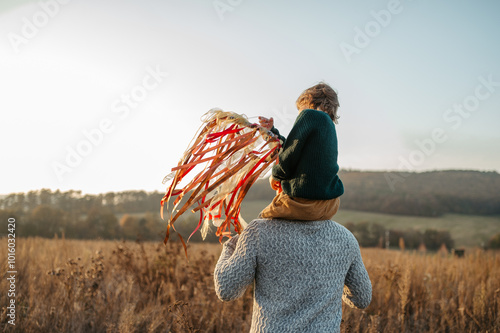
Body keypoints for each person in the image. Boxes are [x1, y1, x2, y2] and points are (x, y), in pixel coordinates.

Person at [213, 83, 372, 332]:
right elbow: (361, 299)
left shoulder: (257, 233)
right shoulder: (345, 240)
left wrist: (231, 244)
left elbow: (226, 290)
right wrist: (329, 283)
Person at [258, 82, 344, 221]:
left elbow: (289, 156)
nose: (299, 115)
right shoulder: (328, 125)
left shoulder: (309, 115)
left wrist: (276, 174)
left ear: (310, 101)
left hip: (305, 202)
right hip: (330, 203)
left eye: (300, 111)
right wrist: (272, 133)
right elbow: (294, 147)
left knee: (259, 224)